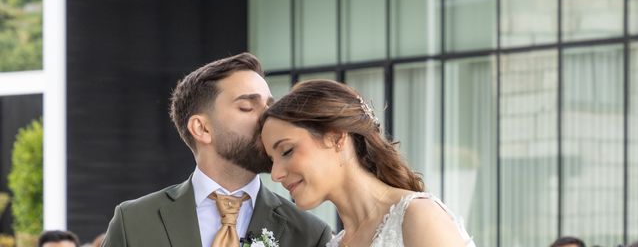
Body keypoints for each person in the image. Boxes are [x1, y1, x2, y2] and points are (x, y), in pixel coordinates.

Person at [103, 52, 331, 247]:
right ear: (201, 128)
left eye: (270, 106)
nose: (268, 117)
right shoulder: (133, 222)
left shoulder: (310, 234)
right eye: (247, 107)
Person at [260, 79, 476, 247]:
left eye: (287, 151)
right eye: (272, 160)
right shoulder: (334, 243)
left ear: (336, 137)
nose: (276, 174)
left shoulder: (418, 216)